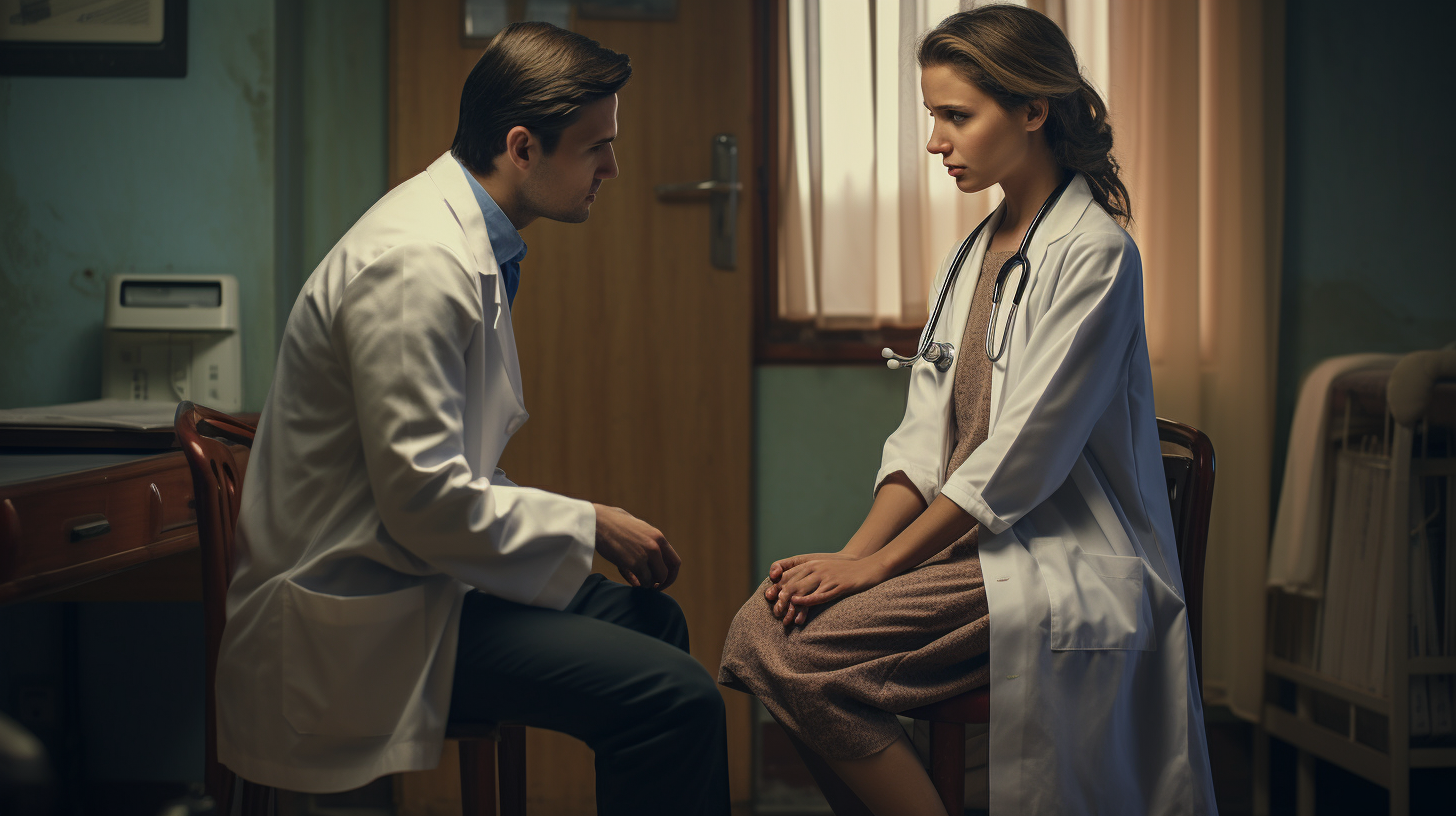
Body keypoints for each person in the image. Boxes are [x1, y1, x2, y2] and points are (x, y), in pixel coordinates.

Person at [214, 22, 730, 816]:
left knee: (653, 623)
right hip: (359, 615)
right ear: (523, 147)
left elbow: (441, 481)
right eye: (596, 148)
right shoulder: (416, 264)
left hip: (419, 580)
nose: (613, 168)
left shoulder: (469, 244)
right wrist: (590, 523)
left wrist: (573, 525)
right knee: (676, 698)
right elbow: (423, 500)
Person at [719, 6, 1217, 816]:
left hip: (1057, 559)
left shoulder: (1095, 254)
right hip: (978, 553)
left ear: (1032, 110)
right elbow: (923, 440)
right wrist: (847, 562)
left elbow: (1020, 456)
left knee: (782, 651)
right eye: (933, 116)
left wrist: (876, 571)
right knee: (765, 631)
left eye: (956, 115)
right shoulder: (977, 250)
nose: (935, 141)